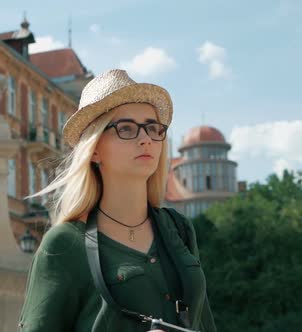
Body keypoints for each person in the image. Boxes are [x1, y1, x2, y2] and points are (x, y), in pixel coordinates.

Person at [18, 69, 217, 332]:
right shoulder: (64, 244)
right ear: (95, 148)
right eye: (126, 128)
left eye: (153, 128)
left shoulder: (178, 229)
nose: (146, 138)